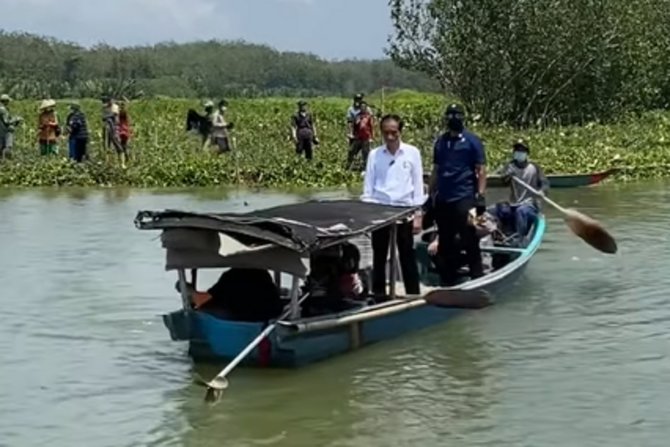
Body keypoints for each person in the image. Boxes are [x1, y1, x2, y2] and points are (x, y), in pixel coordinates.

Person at [361, 114, 424, 296]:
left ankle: (413, 294)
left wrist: (418, 215)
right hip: (380, 210)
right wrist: (367, 216)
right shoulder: (375, 155)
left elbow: (418, 186)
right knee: (379, 256)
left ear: (400, 132)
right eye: (386, 133)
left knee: (407, 256)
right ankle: (379, 295)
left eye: (393, 133)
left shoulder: (412, 153)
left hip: (404, 210)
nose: (389, 137)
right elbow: (369, 188)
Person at [429, 104, 487, 286]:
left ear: (463, 118)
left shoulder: (473, 141)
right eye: (450, 115)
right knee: (445, 241)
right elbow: (436, 170)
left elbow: (481, 170)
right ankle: (448, 280)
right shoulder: (441, 142)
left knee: (470, 237)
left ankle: (478, 277)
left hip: (466, 198)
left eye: (457, 115)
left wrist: (480, 195)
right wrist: (430, 193)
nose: (453, 118)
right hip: (444, 199)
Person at [496, 139, 549, 238]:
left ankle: (520, 238)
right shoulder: (509, 166)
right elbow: (503, 181)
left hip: (530, 204)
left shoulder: (534, 167)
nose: (519, 153)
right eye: (517, 150)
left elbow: (545, 183)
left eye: (522, 150)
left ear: (527, 153)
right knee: (500, 209)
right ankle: (503, 235)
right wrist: (507, 175)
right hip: (514, 202)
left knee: (521, 211)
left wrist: (542, 191)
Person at [347, 101, 375, 170]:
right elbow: (354, 126)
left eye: (364, 107)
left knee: (365, 153)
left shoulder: (368, 117)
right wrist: (352, 134)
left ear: (366, 108)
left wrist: (372, 137)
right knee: (352, 151)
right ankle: (349, 166)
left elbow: (371, 127)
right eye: (361, 107)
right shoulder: (357, 116)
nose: (363, 108)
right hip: (358, 137)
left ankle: (365, 168)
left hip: (366, 137)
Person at [101, 96, 123, 166]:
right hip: (106, 127)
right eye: (108, 101)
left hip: (114, 128)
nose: (110, 102)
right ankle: (107, 162)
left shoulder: (115, 107)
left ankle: (121, 163)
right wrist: (107, 117)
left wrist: (108, 117)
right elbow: (103, 117)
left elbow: (115, 115)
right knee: (106, 144)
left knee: (117, 144)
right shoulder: (105, 108)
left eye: (111, 101)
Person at [0, 94, 22, 160]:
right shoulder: (3, 110)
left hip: (1, 130)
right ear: (6, 101)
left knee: (2, 146)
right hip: (6, 131)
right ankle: (7, 161)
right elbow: (6, 121)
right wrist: (16, 119)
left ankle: (2, 162)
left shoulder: (2, 109)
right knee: (8, 146)